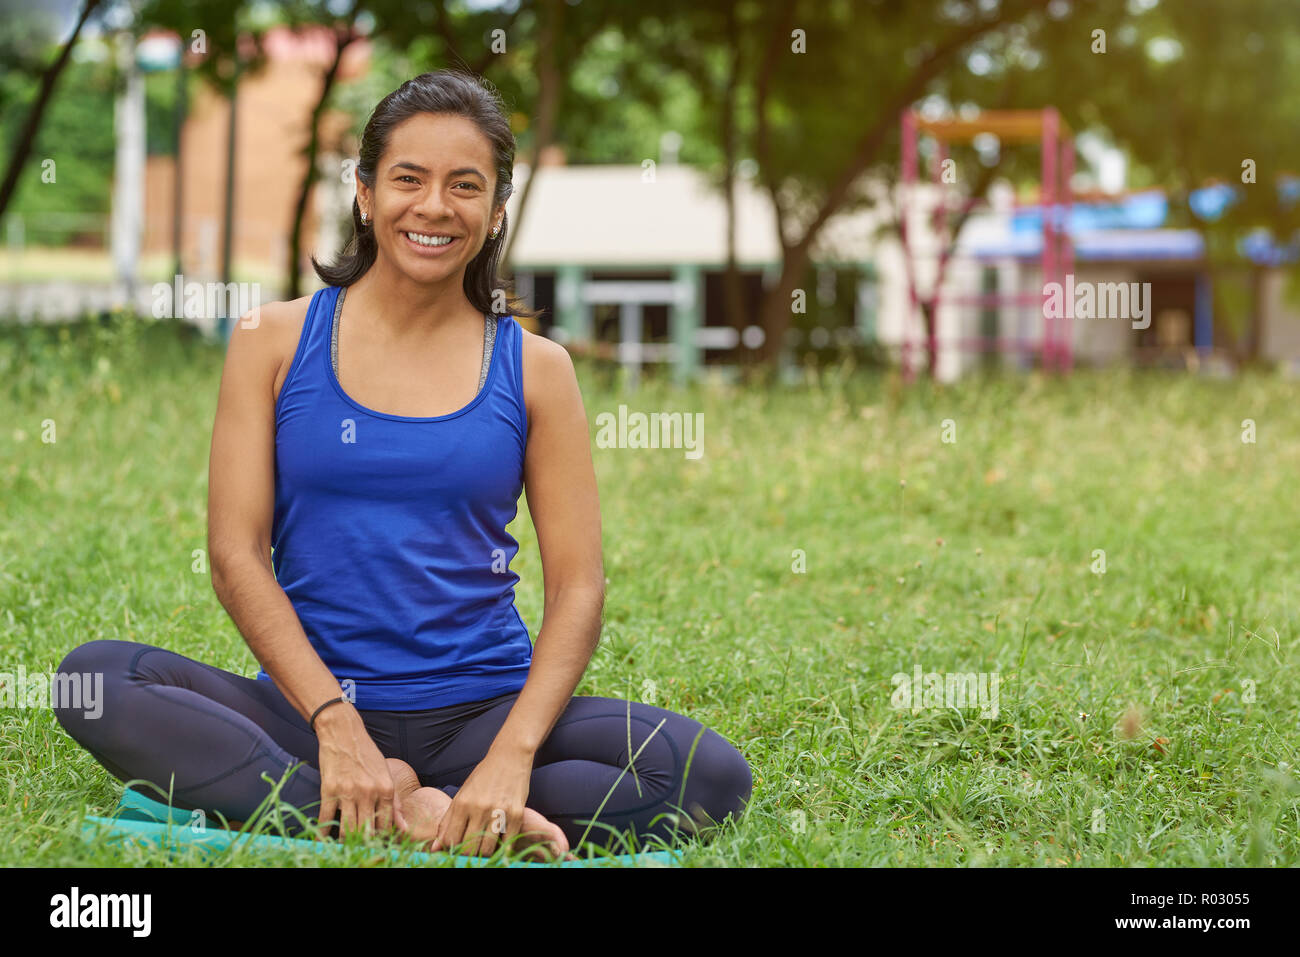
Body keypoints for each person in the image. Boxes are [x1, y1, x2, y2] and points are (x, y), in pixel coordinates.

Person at [53, 69, 753, 861]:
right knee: (95, 680)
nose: (433, 207)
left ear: (495, 215)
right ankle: (415, 810)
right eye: (407, 179)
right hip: (306, 709)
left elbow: (580, 585)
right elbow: (234, 554)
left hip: (483, 709)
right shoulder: (271, 342)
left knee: (707, 776)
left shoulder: (536, 368)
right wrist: (336, 726)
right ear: (364, 192)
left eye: (465, 186)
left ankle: (419, 803)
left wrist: (512, 756)